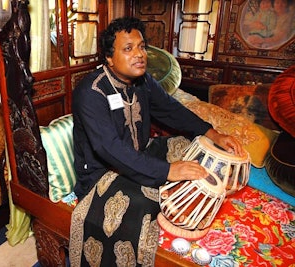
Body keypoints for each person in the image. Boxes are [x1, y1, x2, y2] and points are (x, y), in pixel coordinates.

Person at [69, 17, 245, 266]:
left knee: (188, 146)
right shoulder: (92, 91)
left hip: (139, 153)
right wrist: (169, 171)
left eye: (142, 47)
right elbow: (109, 148)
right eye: (128, 49)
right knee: (151, 198)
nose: (139, 54)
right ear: (109, 57)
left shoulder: (143, 81)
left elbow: (172, 110)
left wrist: (212, 133)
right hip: (103, 173)